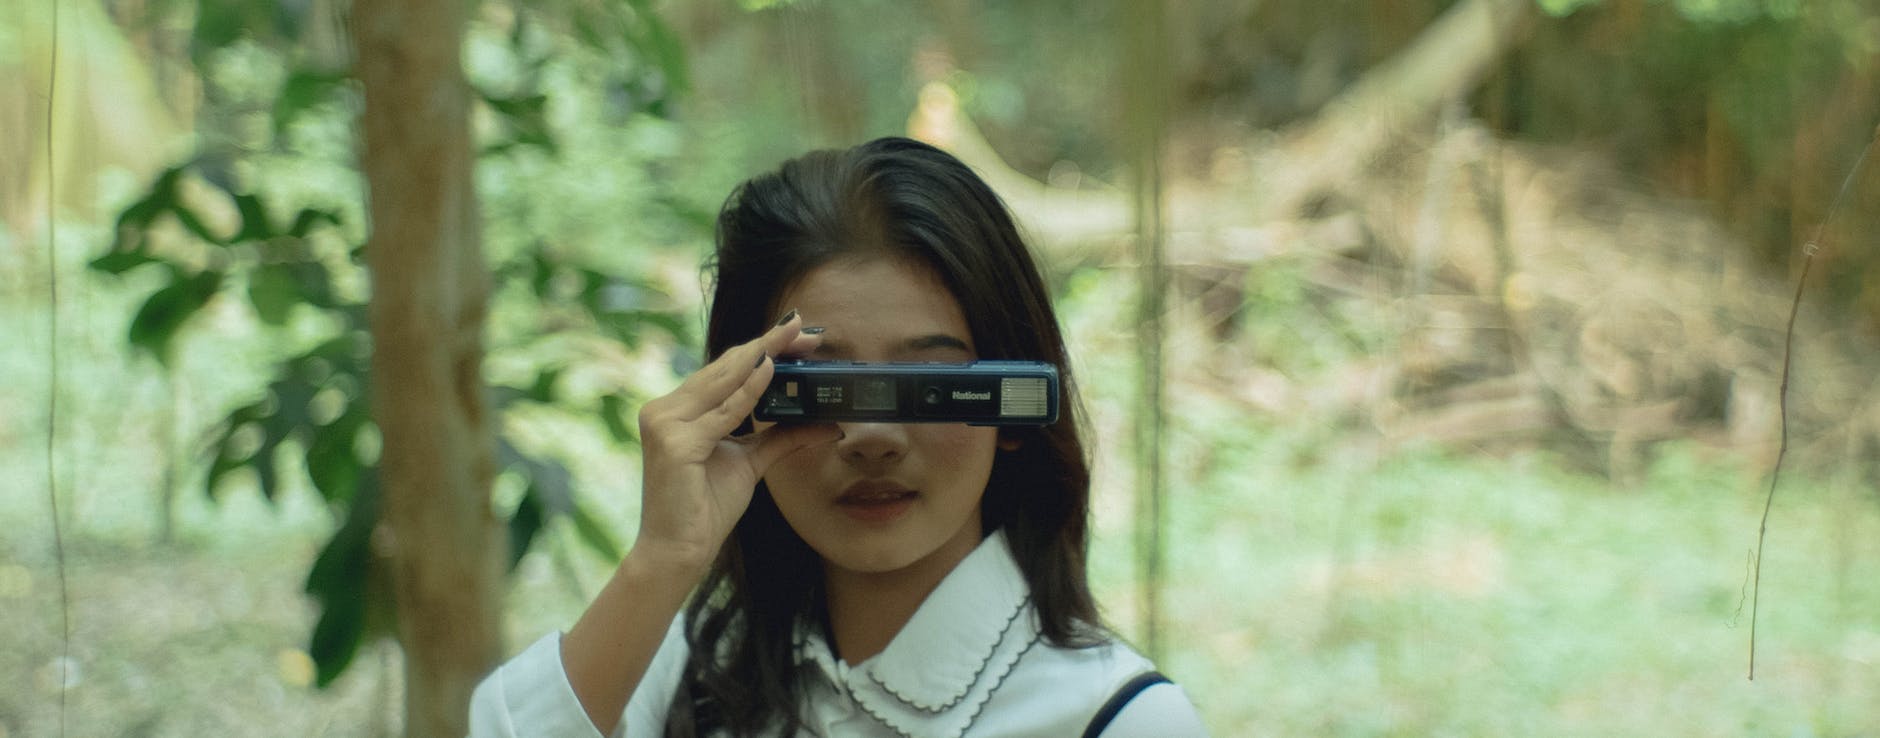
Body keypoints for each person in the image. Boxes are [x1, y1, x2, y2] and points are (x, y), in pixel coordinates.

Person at [469, 137, 1208, 737]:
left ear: (1011, 408)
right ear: (745, 400)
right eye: (818, 389)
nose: (872, 434)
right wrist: (661, 561)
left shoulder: (1118, 720)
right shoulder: (680, 675)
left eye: (931, 386)